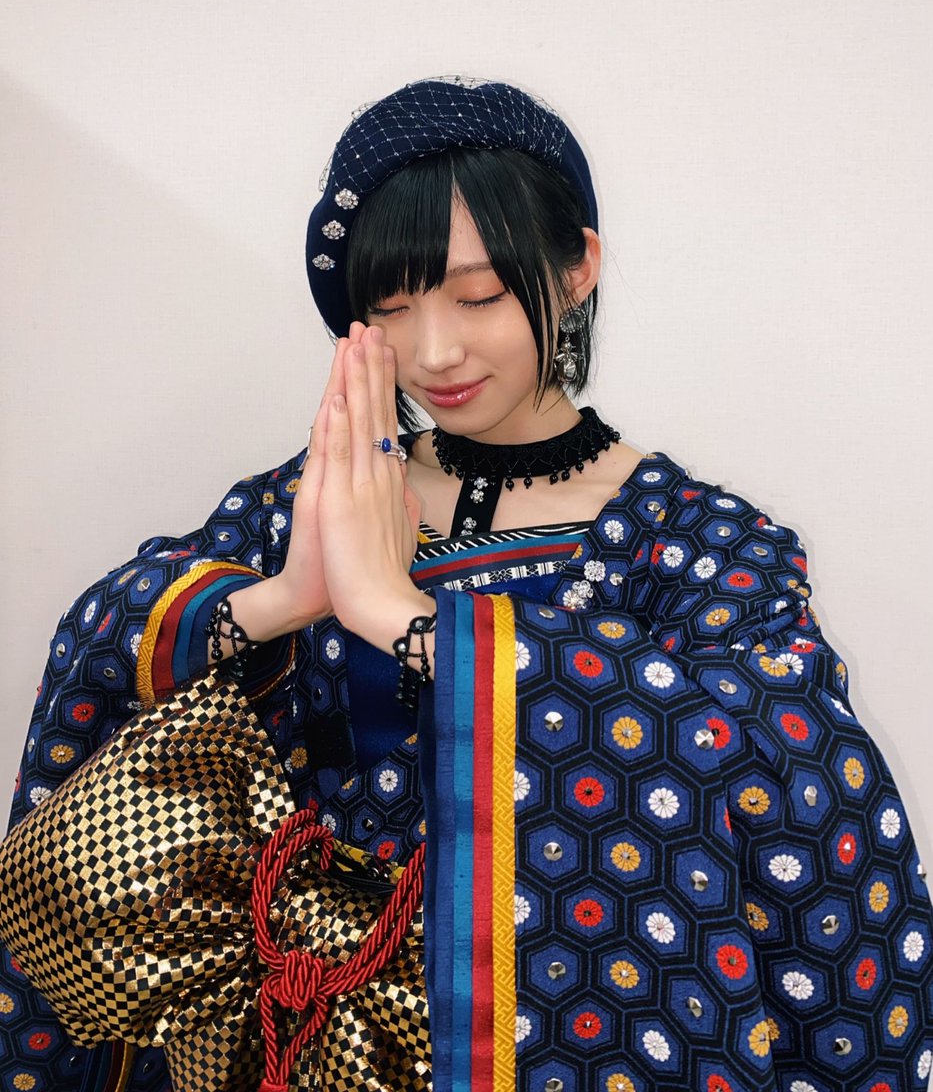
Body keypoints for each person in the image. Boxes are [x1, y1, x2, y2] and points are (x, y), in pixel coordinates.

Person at [2, 76, 932, 1092]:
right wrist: (284, 599)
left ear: (577, 269)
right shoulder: (317, 503)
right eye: (390, 308)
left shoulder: (694, 539)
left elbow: (790, 772)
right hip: (294, 1042)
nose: (435, 351)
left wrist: (402, 618)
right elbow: (104, 650)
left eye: (479, 296)